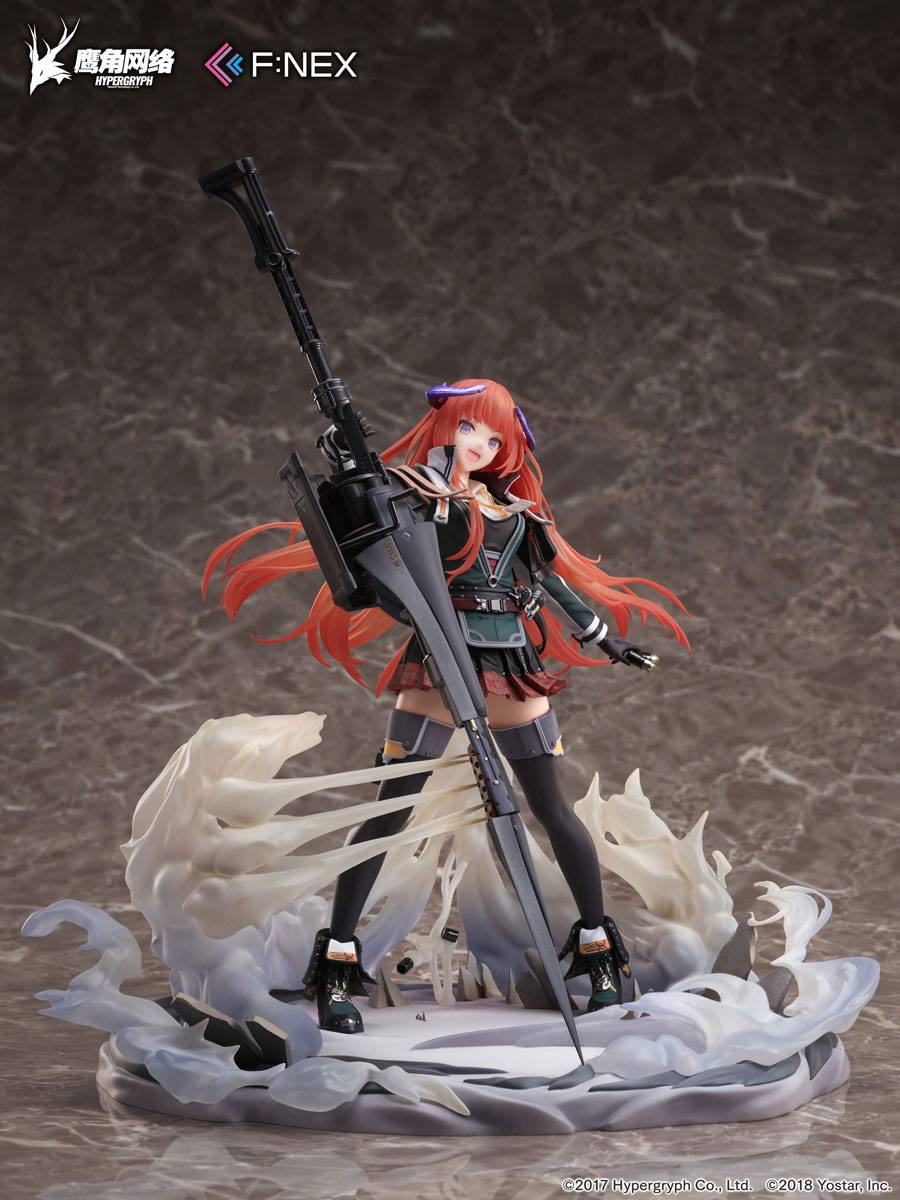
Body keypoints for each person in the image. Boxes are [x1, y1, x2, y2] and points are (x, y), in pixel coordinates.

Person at [203, 379, 690, 1033]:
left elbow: (547, 583)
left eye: (493, 436)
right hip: (439, 659)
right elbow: (369, 530)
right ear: (445, 427)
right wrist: (346, 467)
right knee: (388, 811)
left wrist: (604, 637)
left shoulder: (516, 514)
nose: (479, 445)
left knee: (553, 810)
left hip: (512, 663)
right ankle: (338, 963)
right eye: (468, 429)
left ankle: (599, 951)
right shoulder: (415, 498)